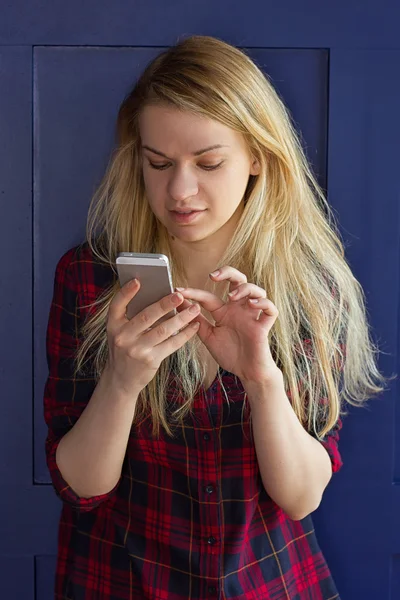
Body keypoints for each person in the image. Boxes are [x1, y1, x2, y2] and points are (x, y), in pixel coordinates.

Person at [43, 35, 390, 600]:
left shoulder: (306, 288)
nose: (180, 191)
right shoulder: (89, 279)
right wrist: (123, 380)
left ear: (257, 156)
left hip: (268, 585)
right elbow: (82, 486)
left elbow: (301, 497)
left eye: (208, 163)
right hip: (118, 582)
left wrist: (262, 379)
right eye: (159, 163)